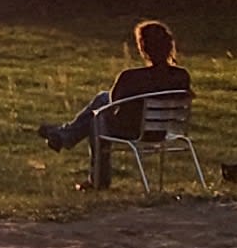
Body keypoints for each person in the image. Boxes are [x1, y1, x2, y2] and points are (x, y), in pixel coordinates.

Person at [38, 20, 192, 192]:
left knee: (97, 115)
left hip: (133, 131)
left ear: (143, 47)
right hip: (164, 131)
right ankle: (64, 135)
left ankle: (76, 151)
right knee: (101, 101)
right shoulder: (181, 76)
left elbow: (113, 104)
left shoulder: (130, 77)